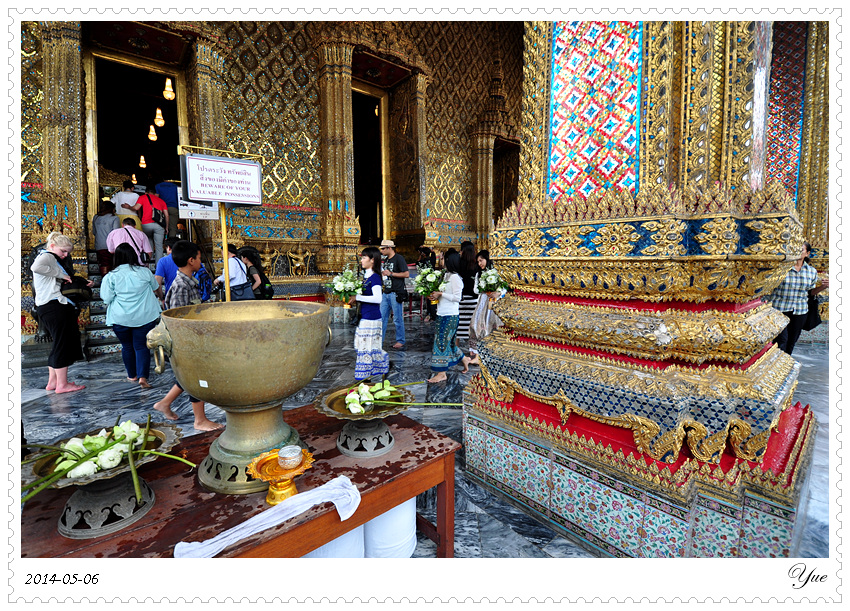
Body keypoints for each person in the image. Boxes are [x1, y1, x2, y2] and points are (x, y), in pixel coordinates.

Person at [154, 241, 223, 431]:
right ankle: (200, 420)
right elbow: (178, 320)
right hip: (187, 341)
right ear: (191, 260)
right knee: (196, 377)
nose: (201, 261)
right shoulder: (180, 286)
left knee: (188, 377)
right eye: (199, 258)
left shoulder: (190, 282)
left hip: (194, 338)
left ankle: (164, 403)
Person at [30, 232, 90, 393]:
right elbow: (35, 267)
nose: (65, 255)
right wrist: (60, 274)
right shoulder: (48, 256)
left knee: (58, 343)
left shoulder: (50, 257)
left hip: (48, 305)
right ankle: (62, 385)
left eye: (67, 252)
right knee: (62, 344)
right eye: (63, 251)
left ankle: (53, 382)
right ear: (52, 246)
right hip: (54, 305)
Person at [100, 243, 162, 389]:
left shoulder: (111, 276)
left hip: (120, 318)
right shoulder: (144, 272)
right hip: (144, 316)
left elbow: (106, 298)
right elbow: (155, 287)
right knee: (141, 347)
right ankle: (142, 377)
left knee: (127, 347)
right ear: (134, 255)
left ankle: (132, 375)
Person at [767, 241, 829, 355]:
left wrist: (823, 287)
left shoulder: (811, 272)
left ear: (807, 253)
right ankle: (776, 364)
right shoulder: (782, 269)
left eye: (800, 250)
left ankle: (786, 364)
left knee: (791, 341)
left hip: (800, 311)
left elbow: (810, 293)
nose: (796, 252)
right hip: (779, 309)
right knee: (781, 340)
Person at [427, 251, 472, 383]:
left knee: (441, 343)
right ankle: (464, 359)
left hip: (450, 315)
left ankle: (442, 373)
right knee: (449, 343)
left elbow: (458, 298)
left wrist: (441, 294)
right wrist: (435, 295)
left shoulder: (455, 278)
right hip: (442, 313)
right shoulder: (445, 275)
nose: (440, 261)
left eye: (442, 259)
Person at [349, 246, 389, 381]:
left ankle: (366, 377)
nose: (361, 260)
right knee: (362, 345)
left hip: (371, 317)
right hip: (366, 315)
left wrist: (358, 297)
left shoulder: (375, 277)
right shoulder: (366, 277)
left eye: (364, 257)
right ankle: (373, 371)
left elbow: (378, 299)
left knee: (366, 347)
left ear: (372, 260)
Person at [468, 249, 503, 365]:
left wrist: (498, 293)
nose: (480, 263)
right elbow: (475, 290)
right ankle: (478, 354)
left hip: (495, 302)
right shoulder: (479, 274)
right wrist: (485, 288)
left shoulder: (497, 272)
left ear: (487, 259)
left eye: (481, 260)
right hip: (483, 301)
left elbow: (504, 287)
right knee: (478, 325)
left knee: (493, 326)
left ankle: (493, 354)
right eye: (478, 261)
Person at [122, 184, 169, 263]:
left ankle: (148, 264)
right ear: (154, 193)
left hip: (146, 224)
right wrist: (166, 227)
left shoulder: (143, 197)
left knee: (147, 243)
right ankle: (158, 268)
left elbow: (136, 208)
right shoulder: (161, 201)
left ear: (146, 192)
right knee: (159, 246)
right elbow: (166, 215)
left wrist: (129, 207)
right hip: (159, 225)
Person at [379, 239, 409, 349]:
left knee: (397, 318)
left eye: (383, 248)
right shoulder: (386, 260)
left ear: (389, 248)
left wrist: (391, 273)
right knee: (381, 318)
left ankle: (400, 340)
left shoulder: (399, 259)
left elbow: (406, 274)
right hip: (386, 292)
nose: (381, 250)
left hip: (395, 292)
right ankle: (379, 340)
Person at [456, 241, 478, 350]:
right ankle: (472, 349)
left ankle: (456, 348)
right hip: (473, 298)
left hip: (461, 298)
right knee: (471, 323)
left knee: (459, 324)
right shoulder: (476, 265)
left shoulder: (459, 264)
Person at [91, 200, 121, 276]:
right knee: (111, 265)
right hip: (111, 246)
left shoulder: (96, 217)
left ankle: (104, 281)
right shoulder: (114, 218)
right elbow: (116, 233)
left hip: (99, 245)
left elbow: (94, 232)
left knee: (102, 264)